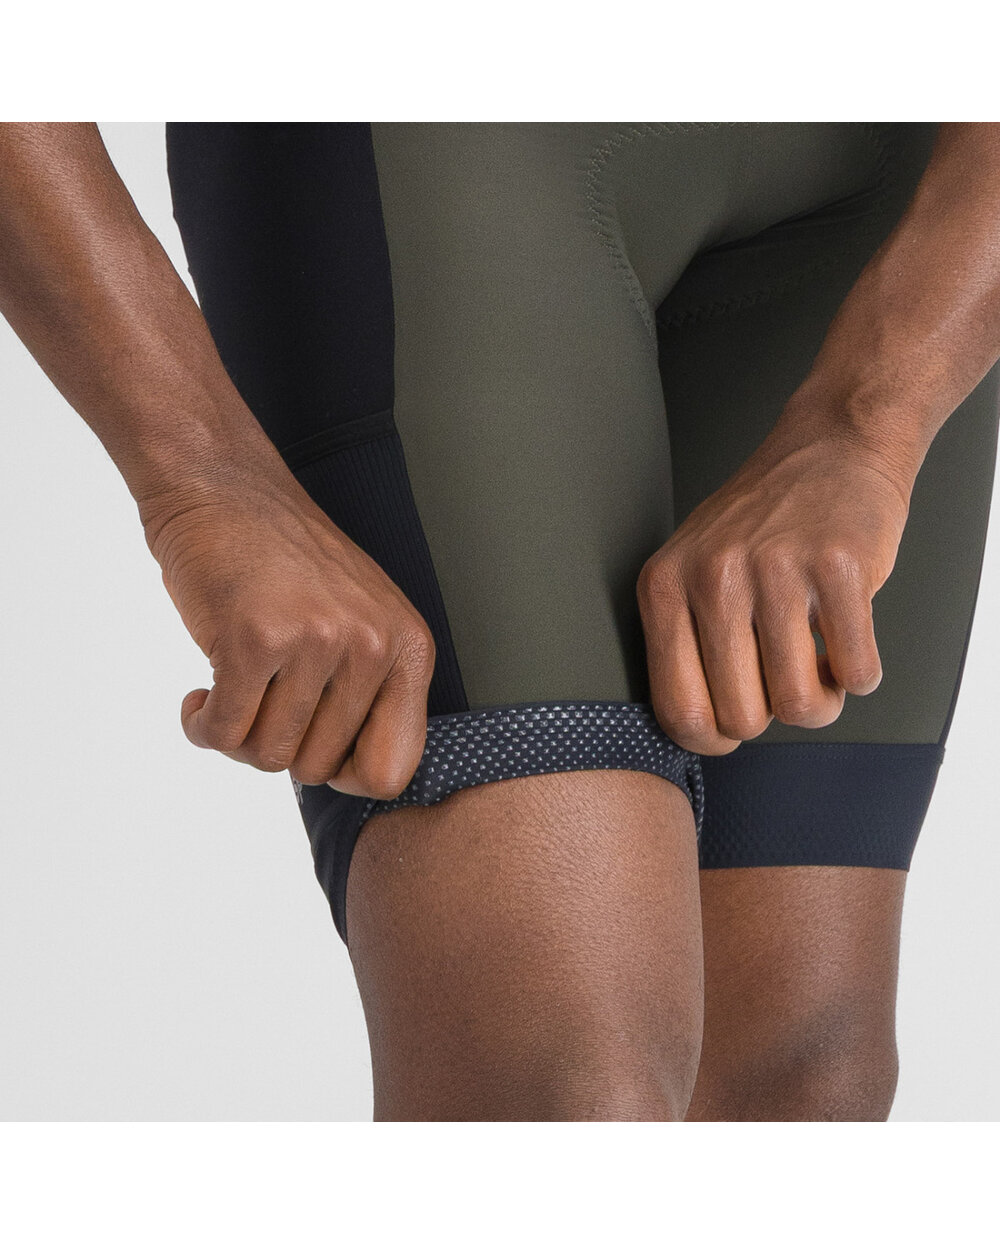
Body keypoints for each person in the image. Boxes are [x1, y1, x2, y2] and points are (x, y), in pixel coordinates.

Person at [1, 122, 998, 1122]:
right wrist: (202, 475)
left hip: (915, 171)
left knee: (803, 1082)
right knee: (561, 1085)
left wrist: (871, 424)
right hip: (447, 153)